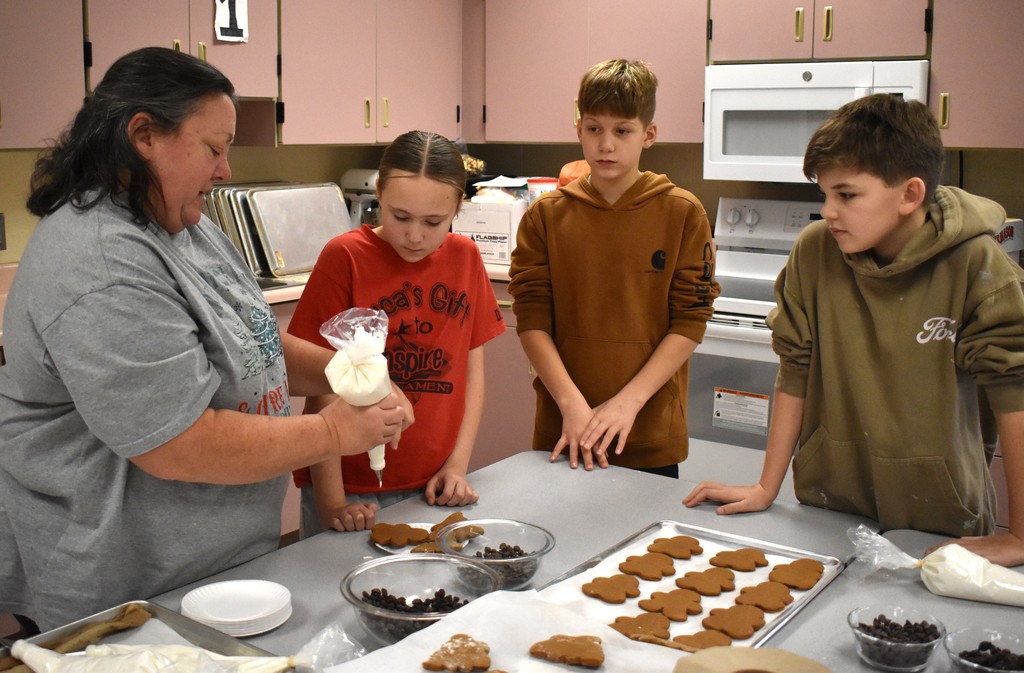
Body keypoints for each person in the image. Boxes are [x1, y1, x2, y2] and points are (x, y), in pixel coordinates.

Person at [0, 46, 411, 631]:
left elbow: (255, 341)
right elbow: (177, 444)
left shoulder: (180, 221)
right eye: (213, 149)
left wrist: (349, 373)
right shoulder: (100, 265)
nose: (225, 170)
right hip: (122, 588)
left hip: (212, 565)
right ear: (144, 135)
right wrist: (333, 432)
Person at [684, 93, 1024, 568]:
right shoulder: (815, 251)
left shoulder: (978, 266)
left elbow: (1015, 396)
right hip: (830, 504)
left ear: (910, 194)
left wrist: (1020, 536)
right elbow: (795, 371)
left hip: (941, 519)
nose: (828, 210)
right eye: (823, 194)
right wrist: (767, 486)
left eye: (846, 195)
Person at [507, 59, 720, 477]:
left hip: (647, 433)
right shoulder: (545, 216)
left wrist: (626, 404)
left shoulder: (682, 212)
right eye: (594, 129)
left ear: (649, 135)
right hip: (564, 429)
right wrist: (572, 406)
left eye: (622, 130)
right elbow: (531, 317)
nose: (606, 144)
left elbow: (690, 320)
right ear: (579, 130)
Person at [287, 130, 505, 537]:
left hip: (432, 484)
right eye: (400, 216)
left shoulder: (466, 258)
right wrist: (331, 500)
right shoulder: (346, 257)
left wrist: (457, 466)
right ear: (380, 195)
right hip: (351, 488)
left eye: (433, 222)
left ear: (458, 207)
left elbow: (470, 374)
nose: (415, 235)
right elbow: (322, 386)